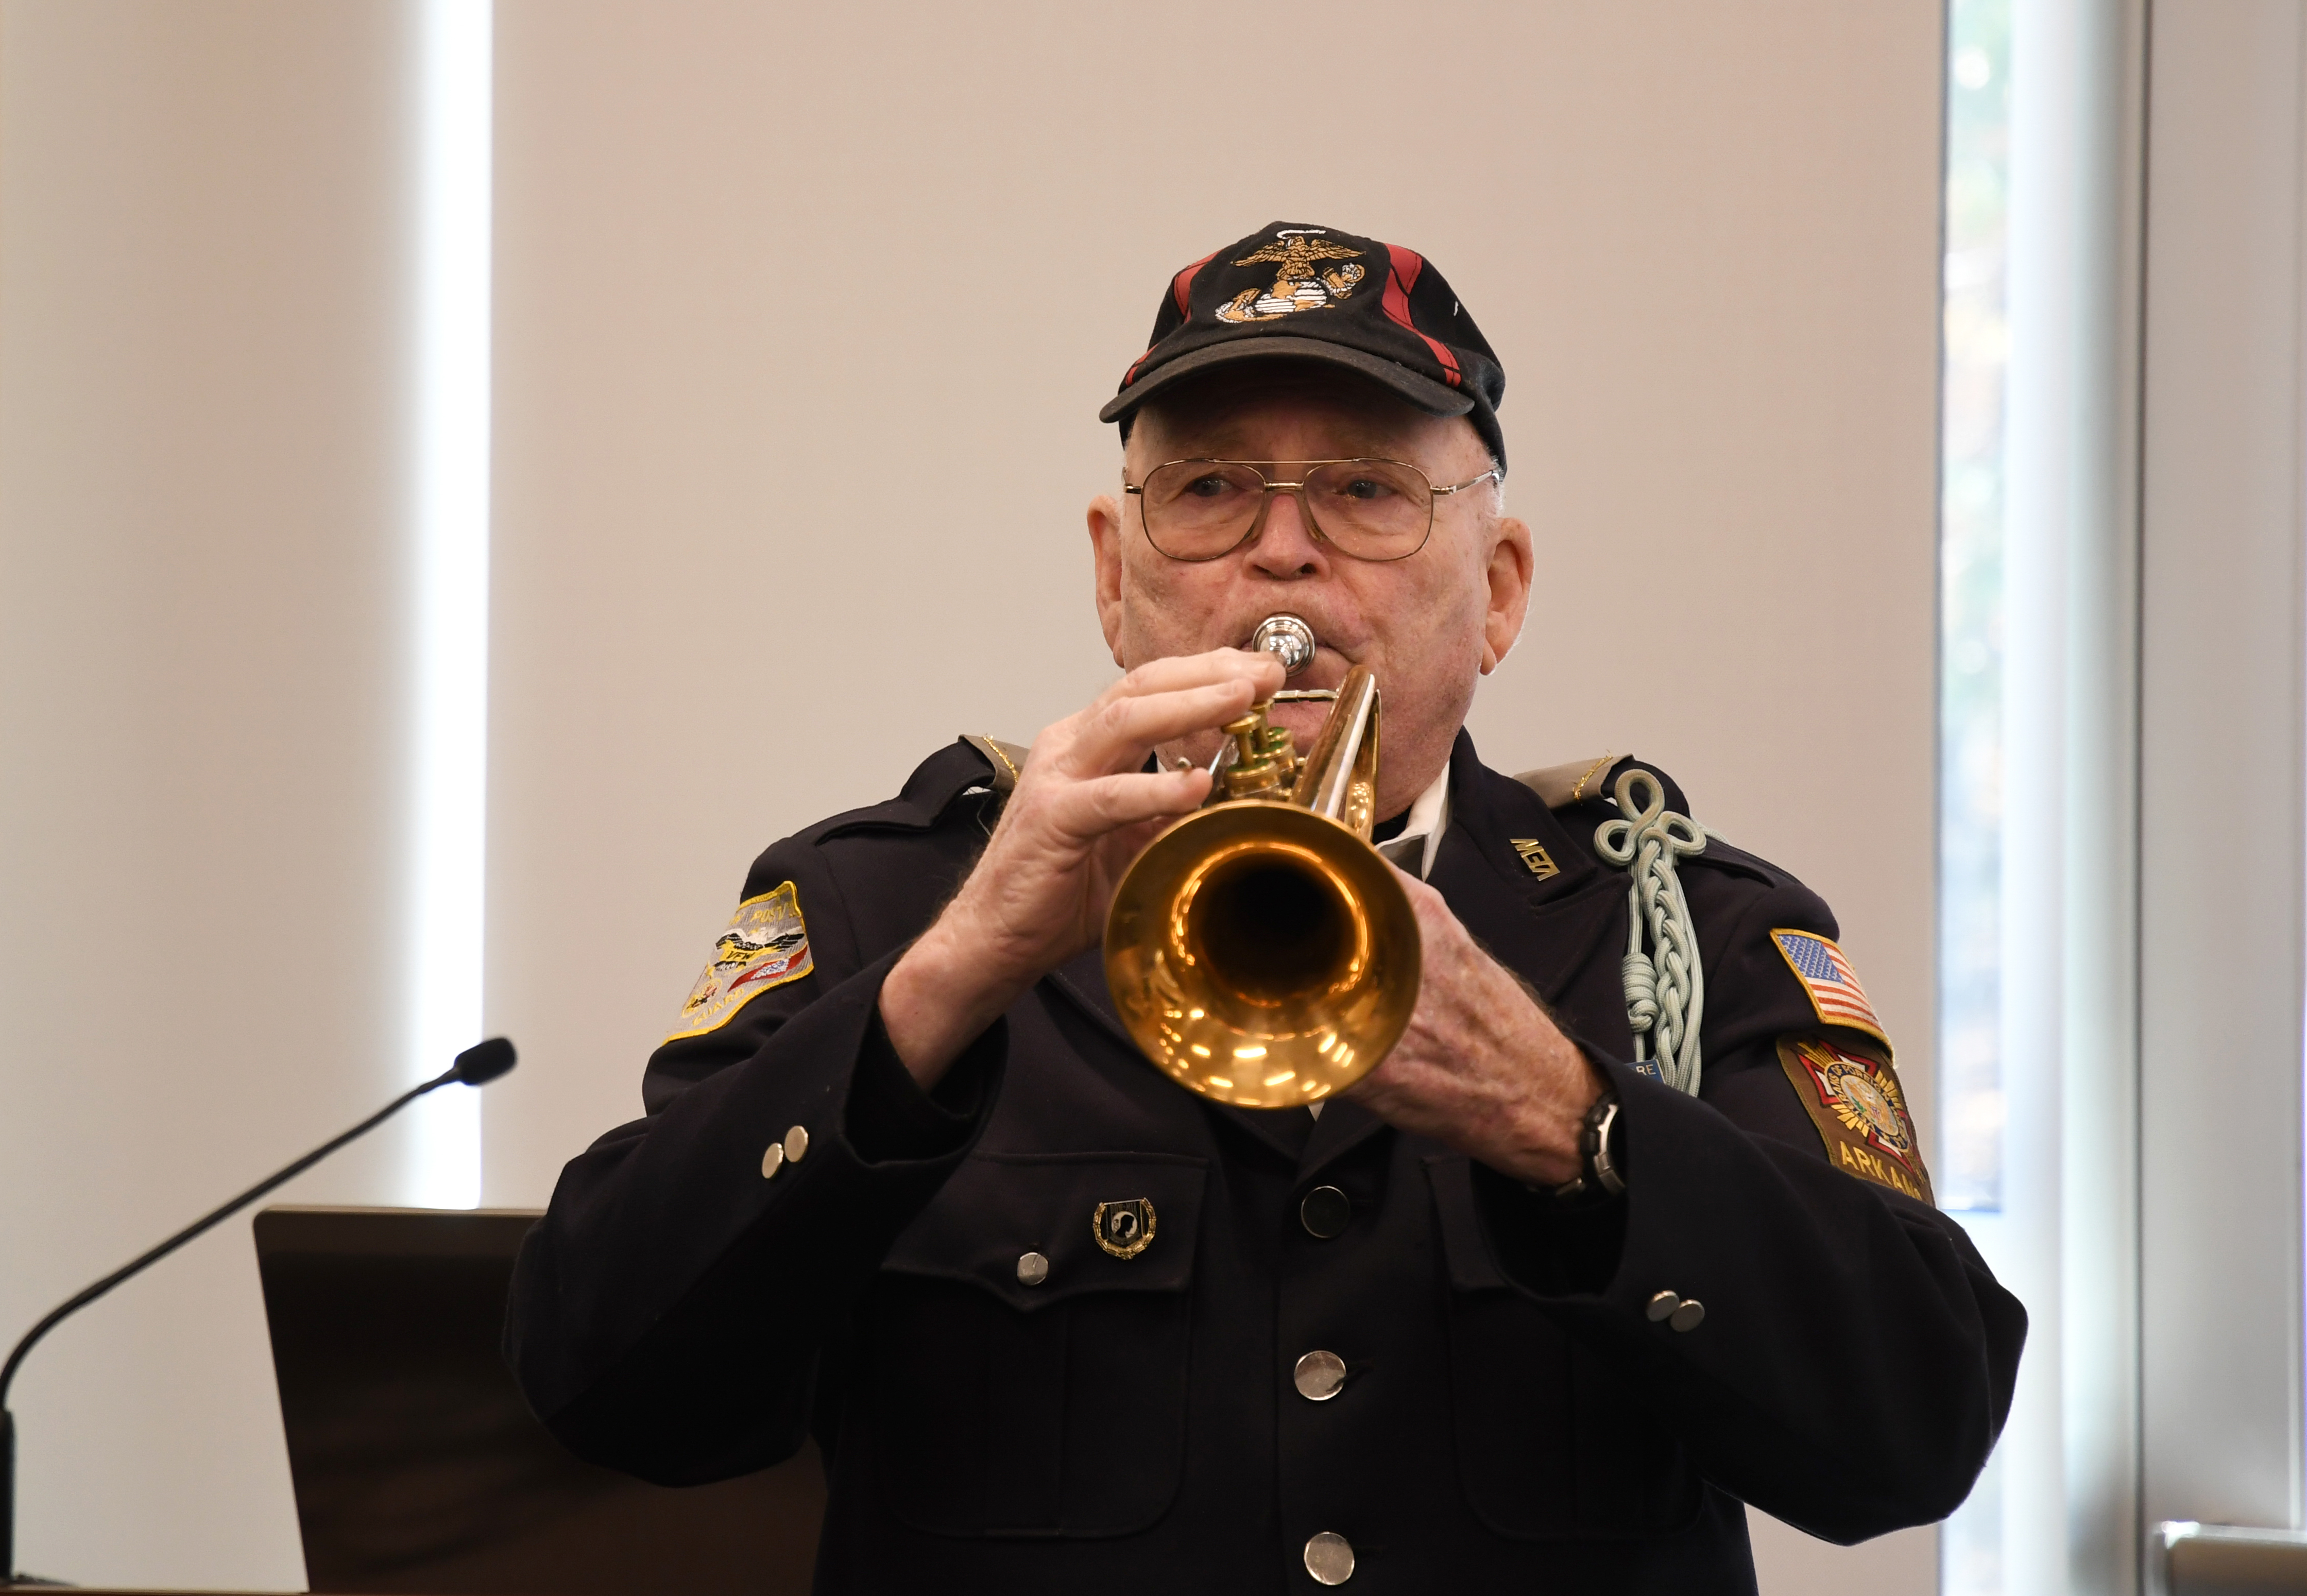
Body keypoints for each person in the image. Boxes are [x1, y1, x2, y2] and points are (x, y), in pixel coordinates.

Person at [504, 220, 2025, 1593]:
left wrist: (1574, 1121)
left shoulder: (1674, 926)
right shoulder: (882, 904)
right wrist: (945, 981)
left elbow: (1915, 1429)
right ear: (1117, 578)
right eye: (1212, 488)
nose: (1279, 552)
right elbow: (602, 1383)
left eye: (1364, 491)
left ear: (1495, 589)